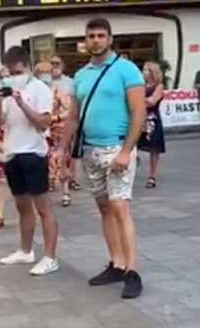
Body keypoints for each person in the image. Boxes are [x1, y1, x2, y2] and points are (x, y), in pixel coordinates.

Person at [57, 18, 147, 299]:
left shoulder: (126, 70)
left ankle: (133, 271)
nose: (95, 40)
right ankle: (117, 263)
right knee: (105, 208)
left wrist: (126, 150)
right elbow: (73, 116)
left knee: (121, 208)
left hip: (117, 148)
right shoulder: (81, 75)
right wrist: (62, 150)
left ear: (110, 39)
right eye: (91, 36)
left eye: (100, 35)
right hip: (90, 150)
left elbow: (139, 113)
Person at [0, 46, 61, 276]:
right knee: (22, 206)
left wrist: (21, 102)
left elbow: (43, 122)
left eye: (17, 72)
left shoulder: (40, 89)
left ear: (27, 67)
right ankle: (25, 250)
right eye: (10, 73)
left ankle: (50, 257)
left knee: (43, 207)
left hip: (34, 152)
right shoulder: (7, 89)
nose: (14, 77)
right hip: (13, 152)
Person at [37, 61, 73, 207]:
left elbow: (70, 110)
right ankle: (47, 186)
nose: (44, 76)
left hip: (56, 131)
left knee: (62, 160)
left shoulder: (57, 92)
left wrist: (55, 118)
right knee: (44, 163)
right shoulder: (35, 92)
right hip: (40, 133)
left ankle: (65, 192)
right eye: (41, 73)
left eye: (47, 73)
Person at [50, 56, 83, 192]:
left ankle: (72, 178)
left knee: (70, 152)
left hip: (67, 121)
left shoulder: (70, 82)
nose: (54, 66)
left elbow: (74, 104)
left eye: (57, 63)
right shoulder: (45, 82)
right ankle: (51, 178)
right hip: (52, 124)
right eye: (51, 64)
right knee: (52, 152)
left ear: (62, 65)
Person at [138, 61, 166, 189]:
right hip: (138, 118)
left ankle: (152, 175)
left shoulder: (158, 86)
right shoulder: (139, 85)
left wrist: (137, 100)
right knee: (132, 143)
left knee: (154, 148)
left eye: (146, 70)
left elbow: (152, 101)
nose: (143, 72)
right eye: (143, 70)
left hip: (152, 119)